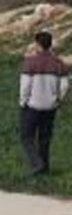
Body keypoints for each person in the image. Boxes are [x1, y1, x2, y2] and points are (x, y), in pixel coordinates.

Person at [19, 30, 68, 178]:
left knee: (26, 136)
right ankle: (44, 169)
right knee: (45, 138)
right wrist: (58, 99)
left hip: (33, 106)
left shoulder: (30, 62)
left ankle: (36, 163)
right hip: (50, 107)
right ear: (50, 44)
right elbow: (65, 86)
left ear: (37, 44)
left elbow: (25, 86)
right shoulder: (59, 63)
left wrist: (23, 101)